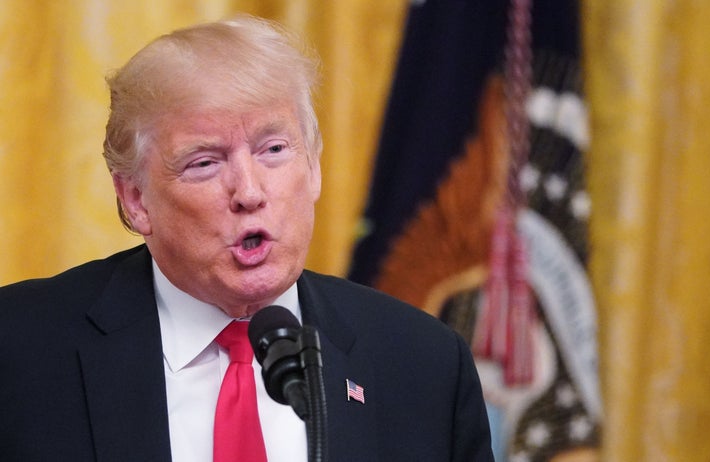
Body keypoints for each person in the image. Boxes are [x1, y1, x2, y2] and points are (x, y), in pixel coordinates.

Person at [0, 14, 494, 462]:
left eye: (274, 149)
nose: (250, 192)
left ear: (314, 166)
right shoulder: (20, 349)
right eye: (204, 163)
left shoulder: (423, 364)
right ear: (135, 200)